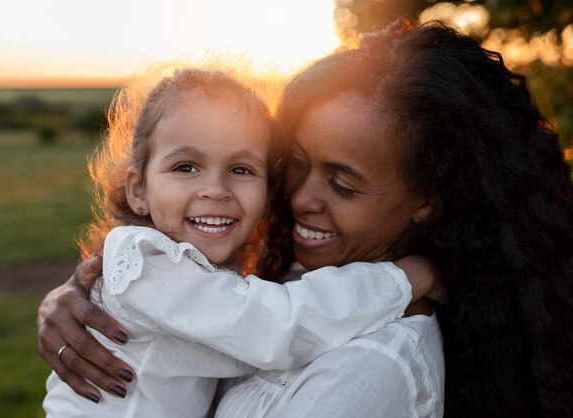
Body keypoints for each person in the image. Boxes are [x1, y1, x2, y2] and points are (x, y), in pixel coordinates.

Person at [39, 20, 573, 417]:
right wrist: (76, 299)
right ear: (137, 185)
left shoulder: (374, 368)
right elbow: (258, 320)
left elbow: (267, 322)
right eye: (294, 164)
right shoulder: (286, 278)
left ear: (428, 198)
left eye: (342, 184)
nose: (296, 198)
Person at [42, 66, 438, 417]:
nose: (215, 189)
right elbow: (276, 327)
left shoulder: (232, 275)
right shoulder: (148, 262)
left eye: (241, 168)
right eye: (186, 166)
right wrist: (407, 278)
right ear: (138, 190)